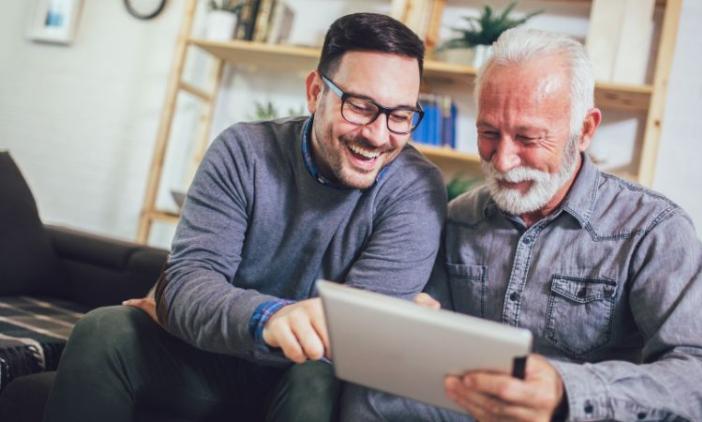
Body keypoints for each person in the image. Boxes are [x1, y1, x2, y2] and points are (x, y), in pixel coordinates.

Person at [44, 13, 447, 422]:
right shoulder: (244, 151)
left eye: (400, 116)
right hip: (208, 364)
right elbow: (188, 283)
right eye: (360, 107)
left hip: (306, 379)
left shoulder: (415, 189)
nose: (378, 135)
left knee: (318, 376)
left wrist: (192, 308)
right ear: (314, 92)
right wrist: (267, 318)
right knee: (104, 331)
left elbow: (358, 336)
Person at [341, 27, 702, 421]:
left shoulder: (653, 230)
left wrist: (565, 391)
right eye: (488, 133)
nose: (502, 161)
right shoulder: (458, 218)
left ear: (584, 130)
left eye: (529, 138)